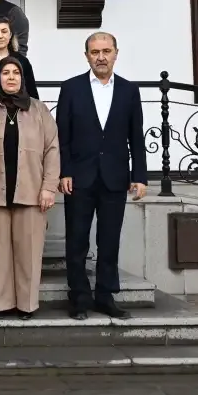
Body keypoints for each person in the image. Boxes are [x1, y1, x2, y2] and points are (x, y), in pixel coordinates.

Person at [56, 31, 147, 321]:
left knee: (109, 240)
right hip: (79, 177)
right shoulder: (71, 88)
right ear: (86, 56)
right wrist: (64, 171)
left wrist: (140, 176)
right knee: (77, 241)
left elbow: (136, 137)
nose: (101, 57)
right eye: (95, 52)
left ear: (116, 54)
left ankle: (105, 296)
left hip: (115, 177)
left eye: (106, 51)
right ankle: (79, 297)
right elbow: (62, 135)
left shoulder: (129, 91)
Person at [0, 57, 60, 319]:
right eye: (5, 73)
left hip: (31, 192)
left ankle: (26, 305)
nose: (11, 77)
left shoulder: (39, 110)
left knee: (29, 252)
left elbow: (52, 149)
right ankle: (1, 304)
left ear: (23, 78)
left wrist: (49, 187)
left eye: (16, 72)